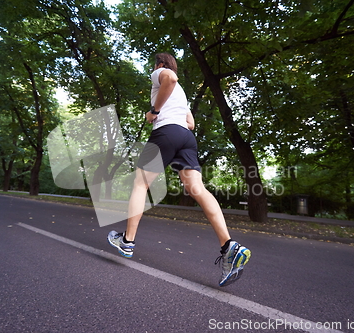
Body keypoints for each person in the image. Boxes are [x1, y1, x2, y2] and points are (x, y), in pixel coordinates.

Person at [107, 53, 251, 287]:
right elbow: (191, 123)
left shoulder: (162, 75)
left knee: (141, 184)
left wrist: (154, 112)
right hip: (186, 138)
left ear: (161, 65)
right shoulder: (182, 95)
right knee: (198, 189)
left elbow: (170, 80)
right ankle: (229, 246)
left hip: (166, 133)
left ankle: (127, 241)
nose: (153, 70)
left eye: (155, 66)